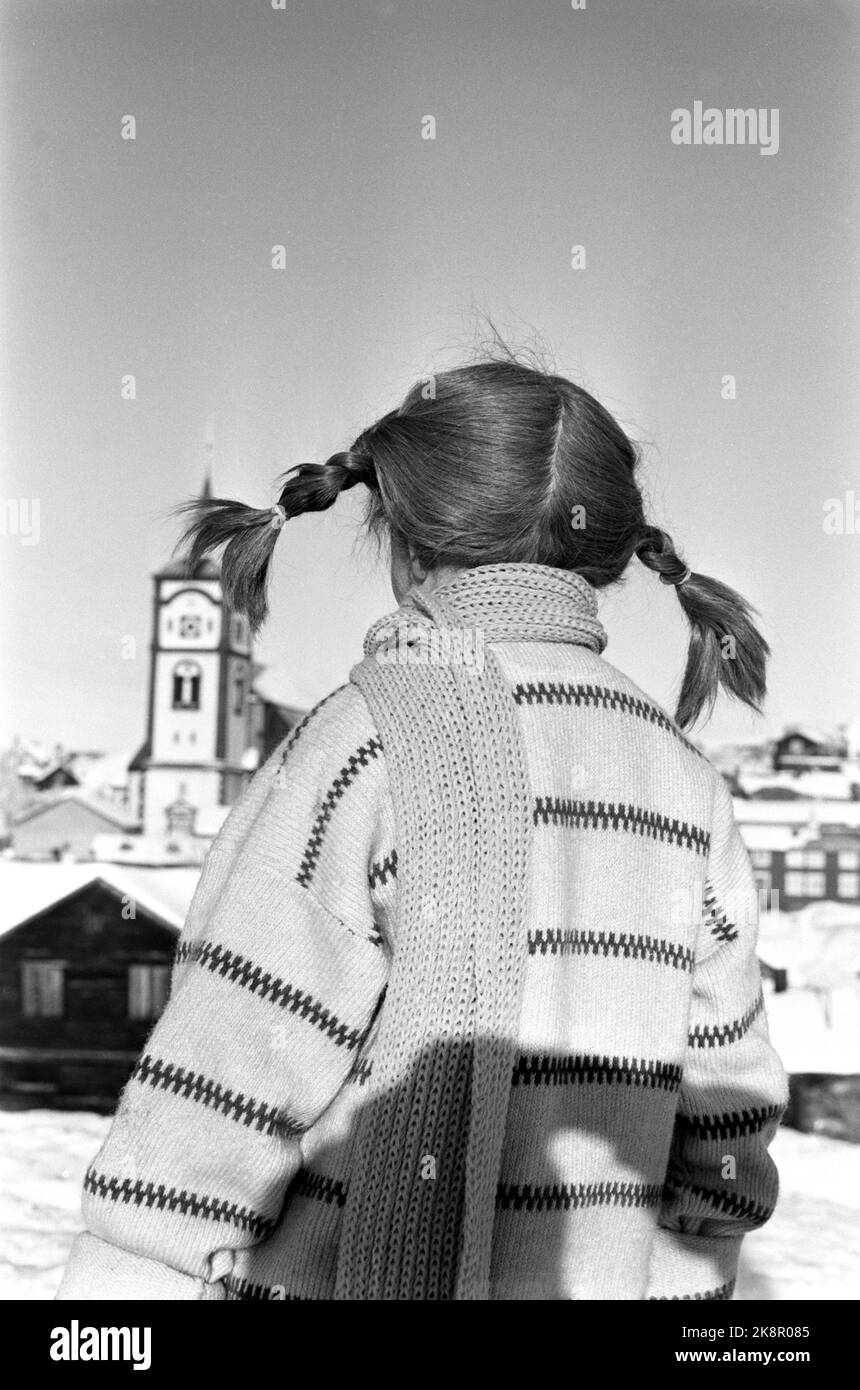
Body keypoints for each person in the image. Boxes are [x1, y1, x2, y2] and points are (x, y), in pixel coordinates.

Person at [58, 357, 787, 1301]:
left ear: (401, 539)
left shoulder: (364, 743)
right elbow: (726, 1102)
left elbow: (232, 1074)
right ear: (608, 554)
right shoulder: (683, 780)